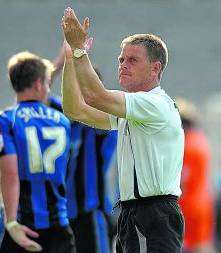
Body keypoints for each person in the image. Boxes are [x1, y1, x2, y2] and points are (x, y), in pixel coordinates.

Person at [61, 7, 185, 253]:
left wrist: (79, 52)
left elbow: (94, 96)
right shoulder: (135, 109)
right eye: (121, 59)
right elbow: (75, 109)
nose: (123, 65)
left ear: (155, 68)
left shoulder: (153, 104)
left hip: (151, 214)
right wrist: (69, 58)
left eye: (133, 60)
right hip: (134, 213)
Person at [0, 51, 75, 253]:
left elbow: (10, 173)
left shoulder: (7, 120)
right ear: (38, 84)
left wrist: (11, 221)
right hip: (59, 223)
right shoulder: (62, 119)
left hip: (23, 224)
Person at [48, 67, 118, 253]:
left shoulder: (105, 121)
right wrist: (63, 62)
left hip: (92, 214)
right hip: (63, 214)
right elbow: (36, 90)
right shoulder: (64, 118)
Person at [176, 98, 216, 253]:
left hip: (189, 206)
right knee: (202, 245)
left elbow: (182, 182)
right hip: (204, 201)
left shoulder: (186, 145)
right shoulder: (201, 139)